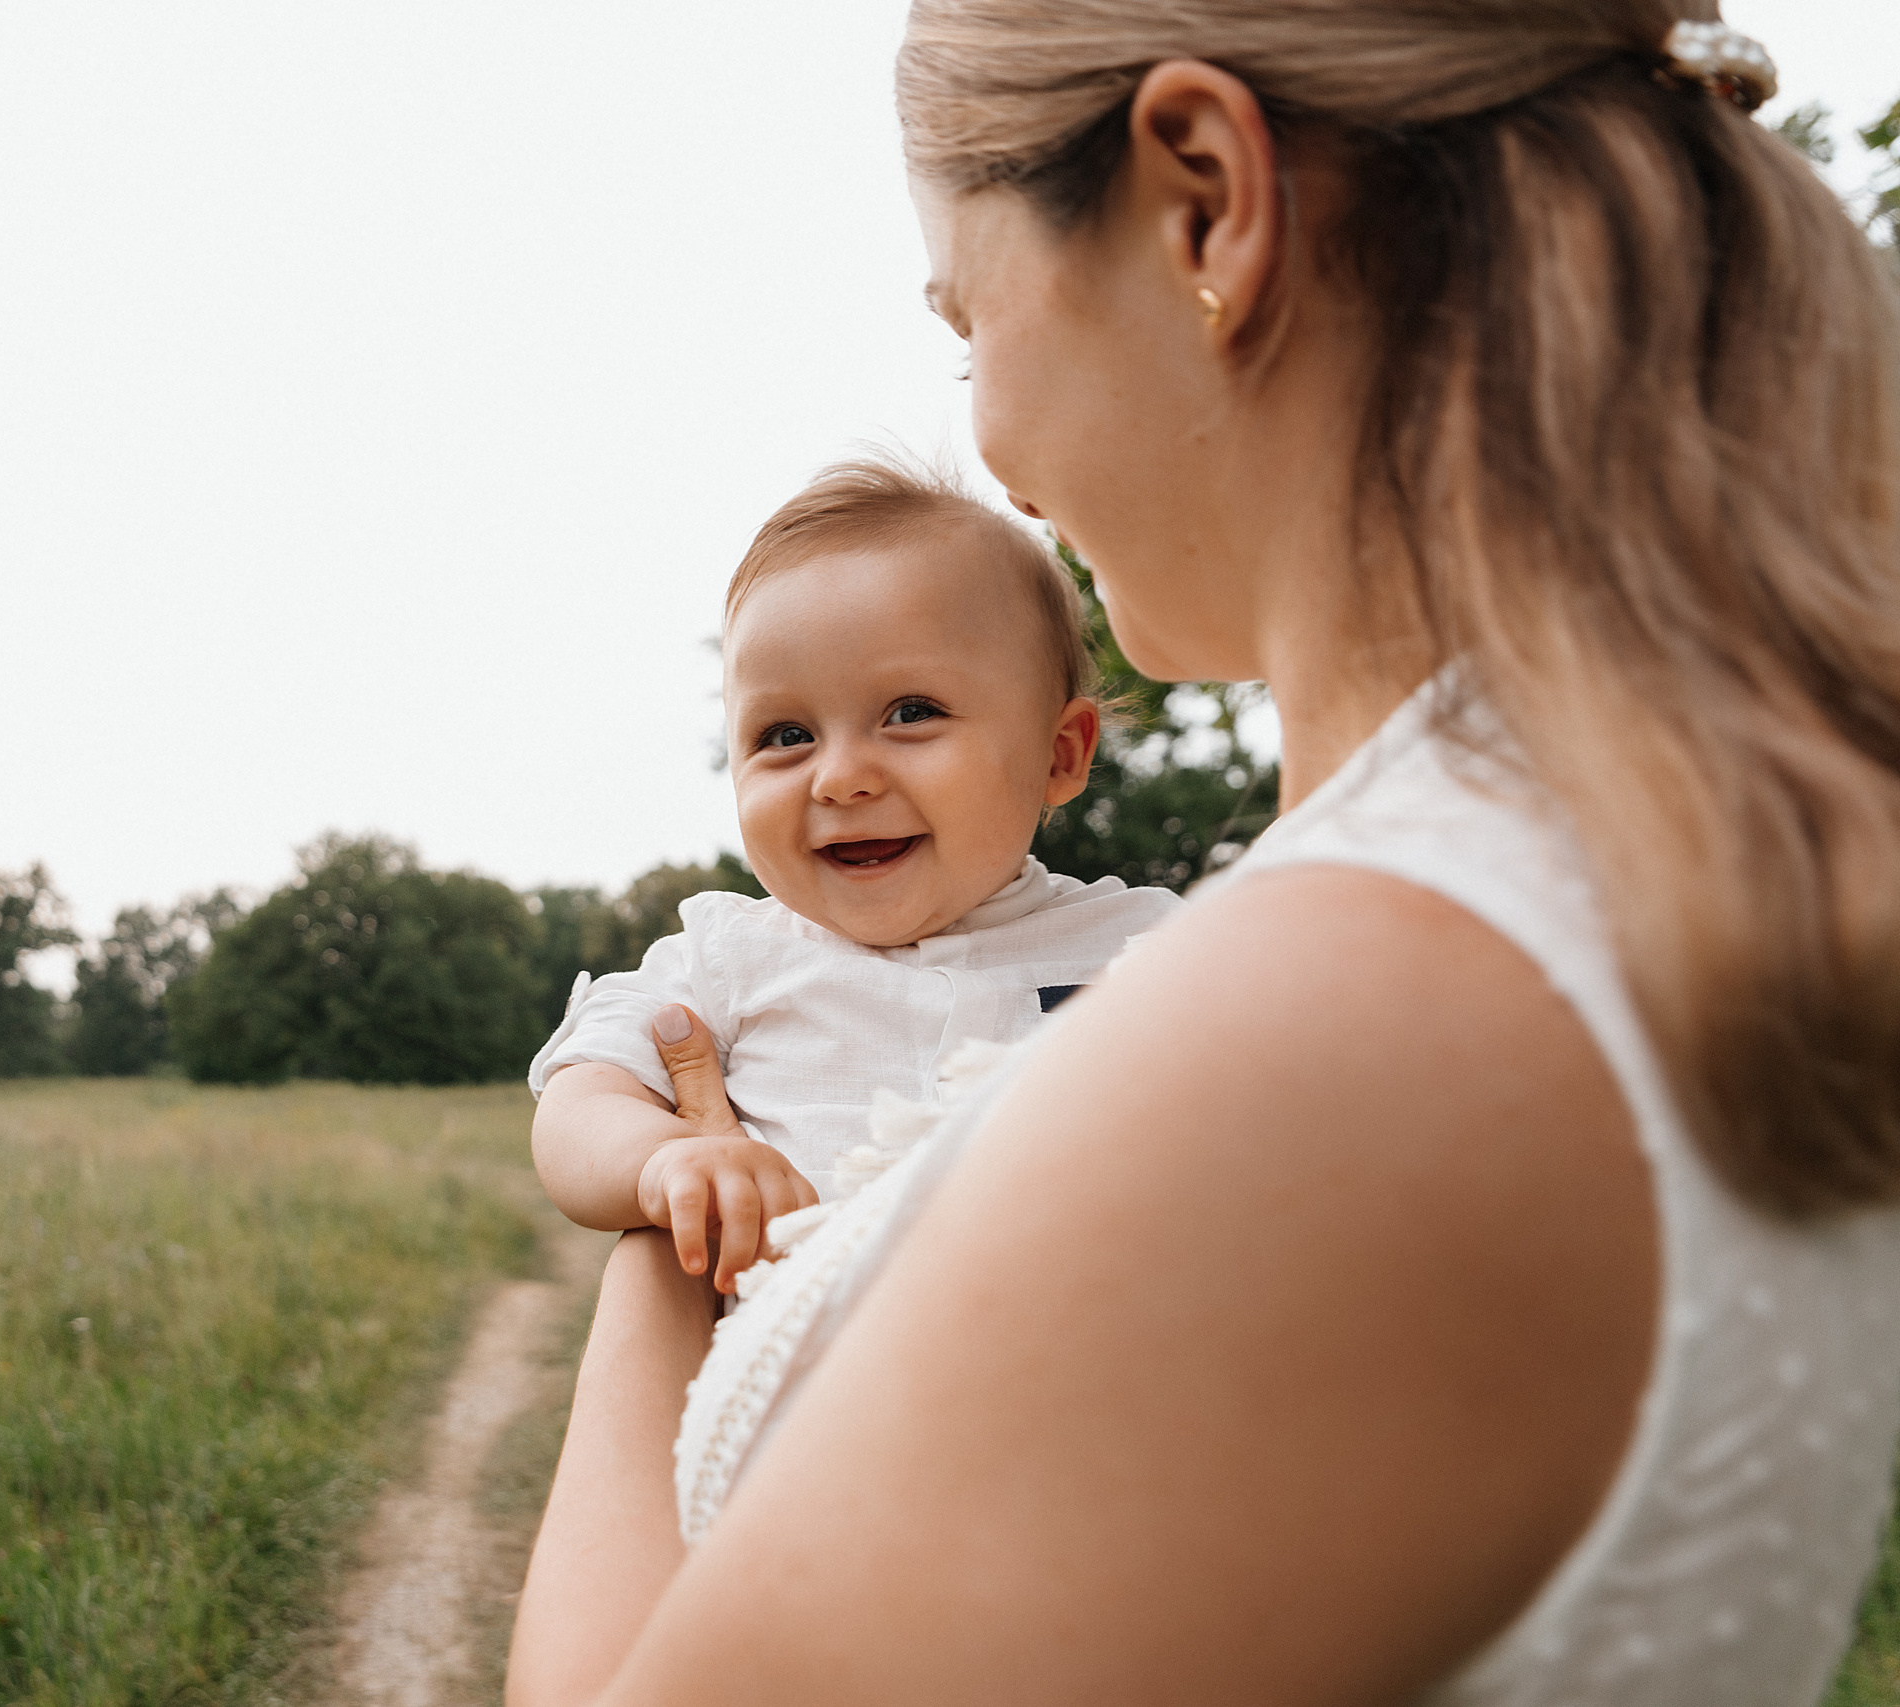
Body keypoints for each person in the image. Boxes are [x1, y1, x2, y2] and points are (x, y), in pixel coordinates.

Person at [504, 4, 1900, 1704]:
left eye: (969, 327)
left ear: (1203, 207)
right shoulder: (1639, 875)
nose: (995, 438)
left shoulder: (1365, 1011)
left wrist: (668, 1255)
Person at [527, 458, 1179, 1294]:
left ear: (1061, 755)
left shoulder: (1149, 947)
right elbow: (581, 1097)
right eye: (785, 733)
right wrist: (666, 1159)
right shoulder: (726, 959)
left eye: (911, 714)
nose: (838, 777)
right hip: (810, 1406)